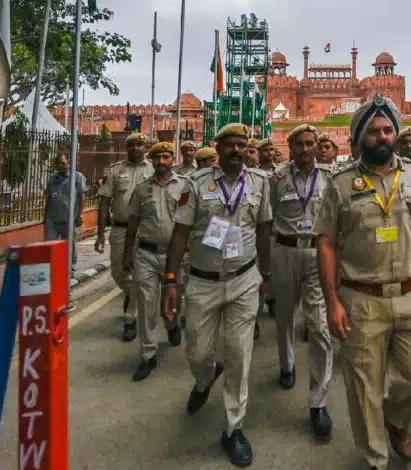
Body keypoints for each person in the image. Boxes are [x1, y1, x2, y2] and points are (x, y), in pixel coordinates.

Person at [314, 94, 411, 470]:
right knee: (363, 388)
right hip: (361, 297)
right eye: (373, 131)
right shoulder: (340, 184)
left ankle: (395, 421)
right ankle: (374, 458)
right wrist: (332, 302)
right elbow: (325, 243)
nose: (382, 136)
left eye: (388, 129)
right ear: (359, 138)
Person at [161, 123, 272, 467]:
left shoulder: (259, 183)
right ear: (218, 147)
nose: (237, 151)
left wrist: (265, 275)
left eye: (243, 145)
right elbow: (180, 234)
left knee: (240, 354)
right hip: (203, 281)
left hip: (243, 279)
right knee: (197, 352)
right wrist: (169, 280)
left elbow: (264, 229)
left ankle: (233, 428)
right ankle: (204, 379)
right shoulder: (195, 185)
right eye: (231, 145)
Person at [270, 124, 335, 439]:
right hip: (284, 251)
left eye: (311, 143)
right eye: (300, 144)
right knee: (283, 316)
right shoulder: (277, 179)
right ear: (290, 147)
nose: (306, 149)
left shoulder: (329, 179)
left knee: (320, 325)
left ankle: (318, 402)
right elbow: (266, 218)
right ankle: (287, 366)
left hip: (317, 255)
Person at [122, 142, 185, 381]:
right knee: (146, 303)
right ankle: (148, 354)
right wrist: (127, 253)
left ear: (172, 159)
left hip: (174, 255)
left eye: (166, 157)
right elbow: (133, 223)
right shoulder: (141, 189)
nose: (161, 162)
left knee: (174, 298)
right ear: (153, 160)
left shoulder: (183, 186)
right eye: (157, 158)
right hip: (146, 254)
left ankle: (172, 324)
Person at [96, 132, 154, 342]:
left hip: (146, 229)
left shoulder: (153, 168)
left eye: (140, 145)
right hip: (120, 229)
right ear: (126, 148)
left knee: (140, 274)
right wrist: (101, 234)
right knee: (119, 272)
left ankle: (131, 320)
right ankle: (131, 295)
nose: (136, 149)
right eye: (132, 145)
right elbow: (104, 201)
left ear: (146, 147)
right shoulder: (115, 171)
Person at [44, 153, 85, 269]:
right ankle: (52, 268)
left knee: (70, 244)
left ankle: (71, 267)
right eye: (58, 163)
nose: (60, 166)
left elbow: (82, 197)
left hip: (69, 218)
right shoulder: (52, 180)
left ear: (69, 162)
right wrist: (45, 217)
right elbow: (49, 199)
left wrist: (80, 215)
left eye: (63, 163)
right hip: (52, 218)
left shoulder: (77, 177)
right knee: (50, 244)